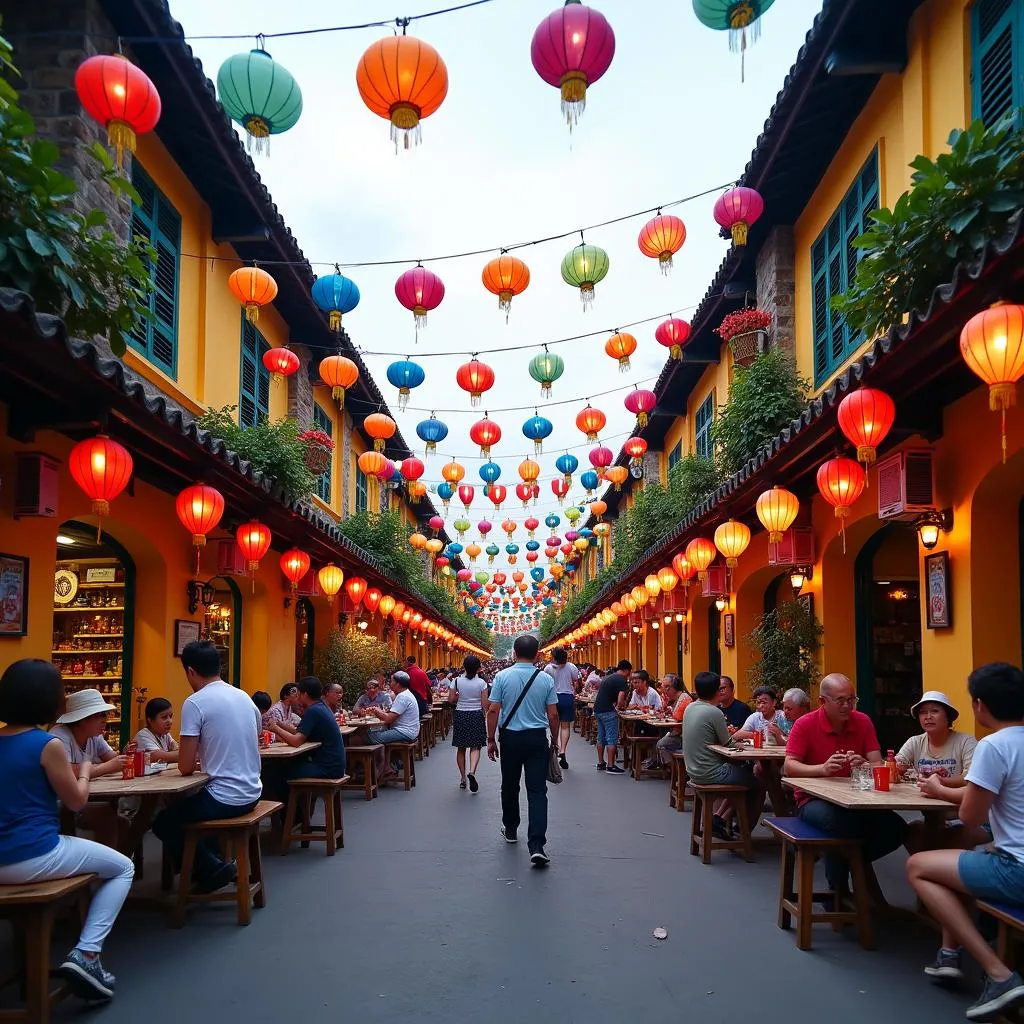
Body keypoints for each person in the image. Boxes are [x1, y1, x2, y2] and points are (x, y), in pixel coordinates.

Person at [0, 660, 134, 1002]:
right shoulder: (48, 744)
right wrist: (87, 770)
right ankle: (87, 955)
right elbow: (75, 802)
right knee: (123, 867)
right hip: (35, 855)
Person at [907, 663, 1024, 1021]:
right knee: (958, 857)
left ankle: (999, 973)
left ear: (979, 705)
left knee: (919, 866)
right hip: (1007, 858)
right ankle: (948, 954)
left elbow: (972, 815)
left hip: (1016, 870)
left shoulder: (994, 745)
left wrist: (940, 789)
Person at [152, 641, 262, 894]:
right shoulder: (243, 696)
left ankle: (209, 869)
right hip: (253, 791)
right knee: (190, 810)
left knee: (165, 821)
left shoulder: (195, 702)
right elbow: (254, 739)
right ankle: (211, 866)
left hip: (226, 797)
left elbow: (186, 766)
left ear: (190, 671)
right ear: (219, 666)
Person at [785, 673, 907, 893]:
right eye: (840, 700)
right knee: (841, 824)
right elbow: (790, 767)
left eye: (851, 699)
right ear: (823, 702)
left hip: (856, 798)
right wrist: (821, 769)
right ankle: (838, 888)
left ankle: (851, 864)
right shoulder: (805, 724)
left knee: (896, 829)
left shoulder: (862, 721)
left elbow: (877, 763)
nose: (847, 705)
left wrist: (863, 764)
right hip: (812, 800)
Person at [486, 634, 558, 866]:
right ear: (537, 654)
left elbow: (493, 710)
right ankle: (537, 844)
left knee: (509, 784)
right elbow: (554, 714)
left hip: (511, 739)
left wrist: (490, 739)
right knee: (537, 791)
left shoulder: (502, 676)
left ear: (514, 653)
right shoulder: (545, 679)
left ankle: (510, 828)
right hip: (537, 739)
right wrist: (554, 740)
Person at [896, 690, 985, 853]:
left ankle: (940, 872)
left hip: (961, 815)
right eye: (923, 712)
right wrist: (888, 768)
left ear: (948, 716)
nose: (927, 716)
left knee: (951, 839)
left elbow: (971, 777)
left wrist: (940, 782)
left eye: (934, 711)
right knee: (911, 833)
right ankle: (931, 873)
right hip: (930, 814)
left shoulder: (966, 741)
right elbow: (895, 767)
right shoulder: (915, 742)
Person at [682, 671, 759, 839]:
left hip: (693, 770)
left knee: (742, 777)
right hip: (712, 771)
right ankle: (742, 832)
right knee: (758, 783)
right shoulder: (714, 712)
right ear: (717, 691)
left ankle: (718, 819)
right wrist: (745, 744)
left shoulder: (690, 707)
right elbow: (728, 743)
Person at [50, 689, 128, 848]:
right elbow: (69, 772)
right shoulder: (59, 736)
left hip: (83, 797)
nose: (105, 720)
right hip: (59, 803)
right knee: (107, 815)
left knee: (123, 823)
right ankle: (107, 867)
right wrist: (107, 767)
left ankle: (120, 864)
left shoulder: (95, 737)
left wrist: (127, 755)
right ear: (81, 719)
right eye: (99, 715)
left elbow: (112, 758)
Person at [266, 677, 347, 801]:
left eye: (299, 693)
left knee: (276, 775)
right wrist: (280, 724)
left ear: (305, 694)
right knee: (288, 766)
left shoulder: (314, 711)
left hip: (327, 768)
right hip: (335, 765)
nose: (297, 697)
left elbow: (296, 741)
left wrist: (275, 728)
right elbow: (300, 732)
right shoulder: (321, 707)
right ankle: (298, 815)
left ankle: (290, 817)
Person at [367, 671, 421, 782]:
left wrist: (376, 711)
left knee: (371, 736)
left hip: (404, 732)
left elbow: (388, 719)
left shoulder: (402, 697)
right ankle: (386, 769)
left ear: (397, 684)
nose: (389, 683)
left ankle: (378, 770)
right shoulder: (405, 694)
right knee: (378, 734)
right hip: (409, 730)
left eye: (391, 681)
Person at [452, 655, 489, 792]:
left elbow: (451, 699)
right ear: (478, 668)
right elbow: (484, 704)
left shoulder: (456, 681)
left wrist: (458, 697)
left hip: (461, 714)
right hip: (475, 715)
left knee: (461, 748)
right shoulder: (481, 683)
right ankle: (472, 771)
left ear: (464, 667)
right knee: (475, 747)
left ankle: (462, 778)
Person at [545, 647, 581, 770]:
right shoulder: (571, 667)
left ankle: (555, 746)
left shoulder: (548, 668)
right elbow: (576, 680)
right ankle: (562, 750)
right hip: (567, 697)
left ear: (554, 657)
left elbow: (545, 684)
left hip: (553, 698)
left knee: (554, 725)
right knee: (565, 726)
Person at [593, 660, 632, 774]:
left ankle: (601, 763)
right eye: (629, 672)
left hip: (598, 709)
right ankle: (611, 765)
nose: (629, 675)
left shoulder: (608, 677)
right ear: (626, 670)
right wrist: (621, 706)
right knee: (611, 737)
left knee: (601, 737)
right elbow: (620, 697)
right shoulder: (621, 680)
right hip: (608, 711)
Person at [651, 674, 689, 768]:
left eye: (666, 687)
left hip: (682, 735)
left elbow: (677, 719)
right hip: (676, 732)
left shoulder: (684, 699)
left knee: (661, 744)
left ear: (672, 688)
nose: (663, 690)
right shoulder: (676, 699)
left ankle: (676, 772)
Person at [132, 697, 179, 765]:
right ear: (150, 720)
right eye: (164, 717)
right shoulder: (142, 736)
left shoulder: (165, 734)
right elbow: (158, 756)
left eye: (170, 716)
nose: (170, 721)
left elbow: (176, 748)